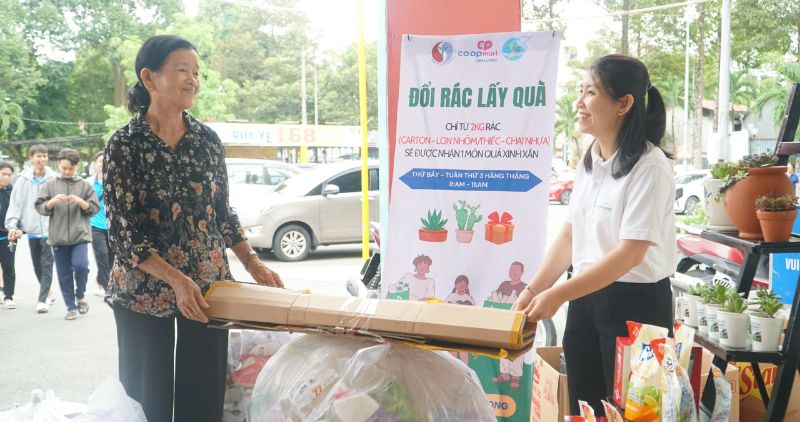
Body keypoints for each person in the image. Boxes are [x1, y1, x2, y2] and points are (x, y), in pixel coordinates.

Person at [104, 35, 283, 422]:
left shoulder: (206, 141)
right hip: (143, 293)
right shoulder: (124, 145)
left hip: (206, 288)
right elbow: (123, 234)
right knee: (145, 398)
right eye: (182, 70)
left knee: (202, 396)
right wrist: (175, 280)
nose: (193, 80)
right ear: (149, 79)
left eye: (196, 72)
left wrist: (253, 264)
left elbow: (222, 213)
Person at [512, 54, 676, 415]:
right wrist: (532, 290)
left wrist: (557, 295)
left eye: (590, 92)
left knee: (635, 411)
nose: (579, 102)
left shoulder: (650, 167)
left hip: (638, 307)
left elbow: (630, 254)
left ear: (624, 104)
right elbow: (570, 238)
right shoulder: (591, 160)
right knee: (585, 407)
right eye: (580, 91)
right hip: (585, 299)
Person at [35, 148, 99, 320]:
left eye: (70, 168)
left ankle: (80, 295)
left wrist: (80, 202)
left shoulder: (84, 185)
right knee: (63, 273)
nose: (67, 171)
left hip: (80, 235)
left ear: (76, 167)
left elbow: (94, 208)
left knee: (81, 266)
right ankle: (71, 307)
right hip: (58, 237)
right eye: (63, 168)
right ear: (59, 165)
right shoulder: (50, 184)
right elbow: (39, 206)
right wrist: (51, 203)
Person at [5, 145, 56, 314]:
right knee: (37, 267)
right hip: (32, 231)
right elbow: (16, 205)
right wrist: (12, 225)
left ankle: (42, 300)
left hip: (50, 229)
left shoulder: (53, 179)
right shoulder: (22, 180)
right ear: (31, 159)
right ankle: (47, 291)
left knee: (47, 264)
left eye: (45, 156)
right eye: (39, 156)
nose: (43, 159)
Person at [88, 151, 114, 297]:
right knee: (102, 255)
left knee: (112, 257)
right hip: (95, 226)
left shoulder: (114, 180)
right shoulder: (89, 183)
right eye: (99, 161)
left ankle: (101, 281)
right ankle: (108, 288)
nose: (103, 163)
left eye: (105, 160)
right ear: (95, 164)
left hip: (112, 227)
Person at [0, 162, 17, 309]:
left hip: (8, 236)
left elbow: (19, 213)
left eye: (9, 175)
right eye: (3, 174)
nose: (6, 177)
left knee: (8, 267)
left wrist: (19, 229)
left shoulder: (13, 192)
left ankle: (9, 296)